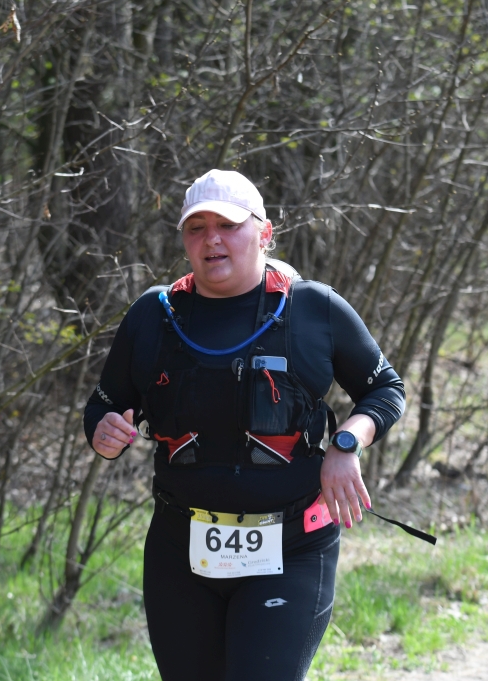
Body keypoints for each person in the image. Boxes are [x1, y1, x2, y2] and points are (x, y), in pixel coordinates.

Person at [83, 169, 406, 681]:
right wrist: (104, 434)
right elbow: (103, 407)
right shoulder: (154, 316)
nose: (211, 239)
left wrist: (347, 443)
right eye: (196, 228)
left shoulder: (312, 309)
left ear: (264, 232)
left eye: (228, 225)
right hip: (179, 552)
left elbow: (385, 389)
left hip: (292, 548)